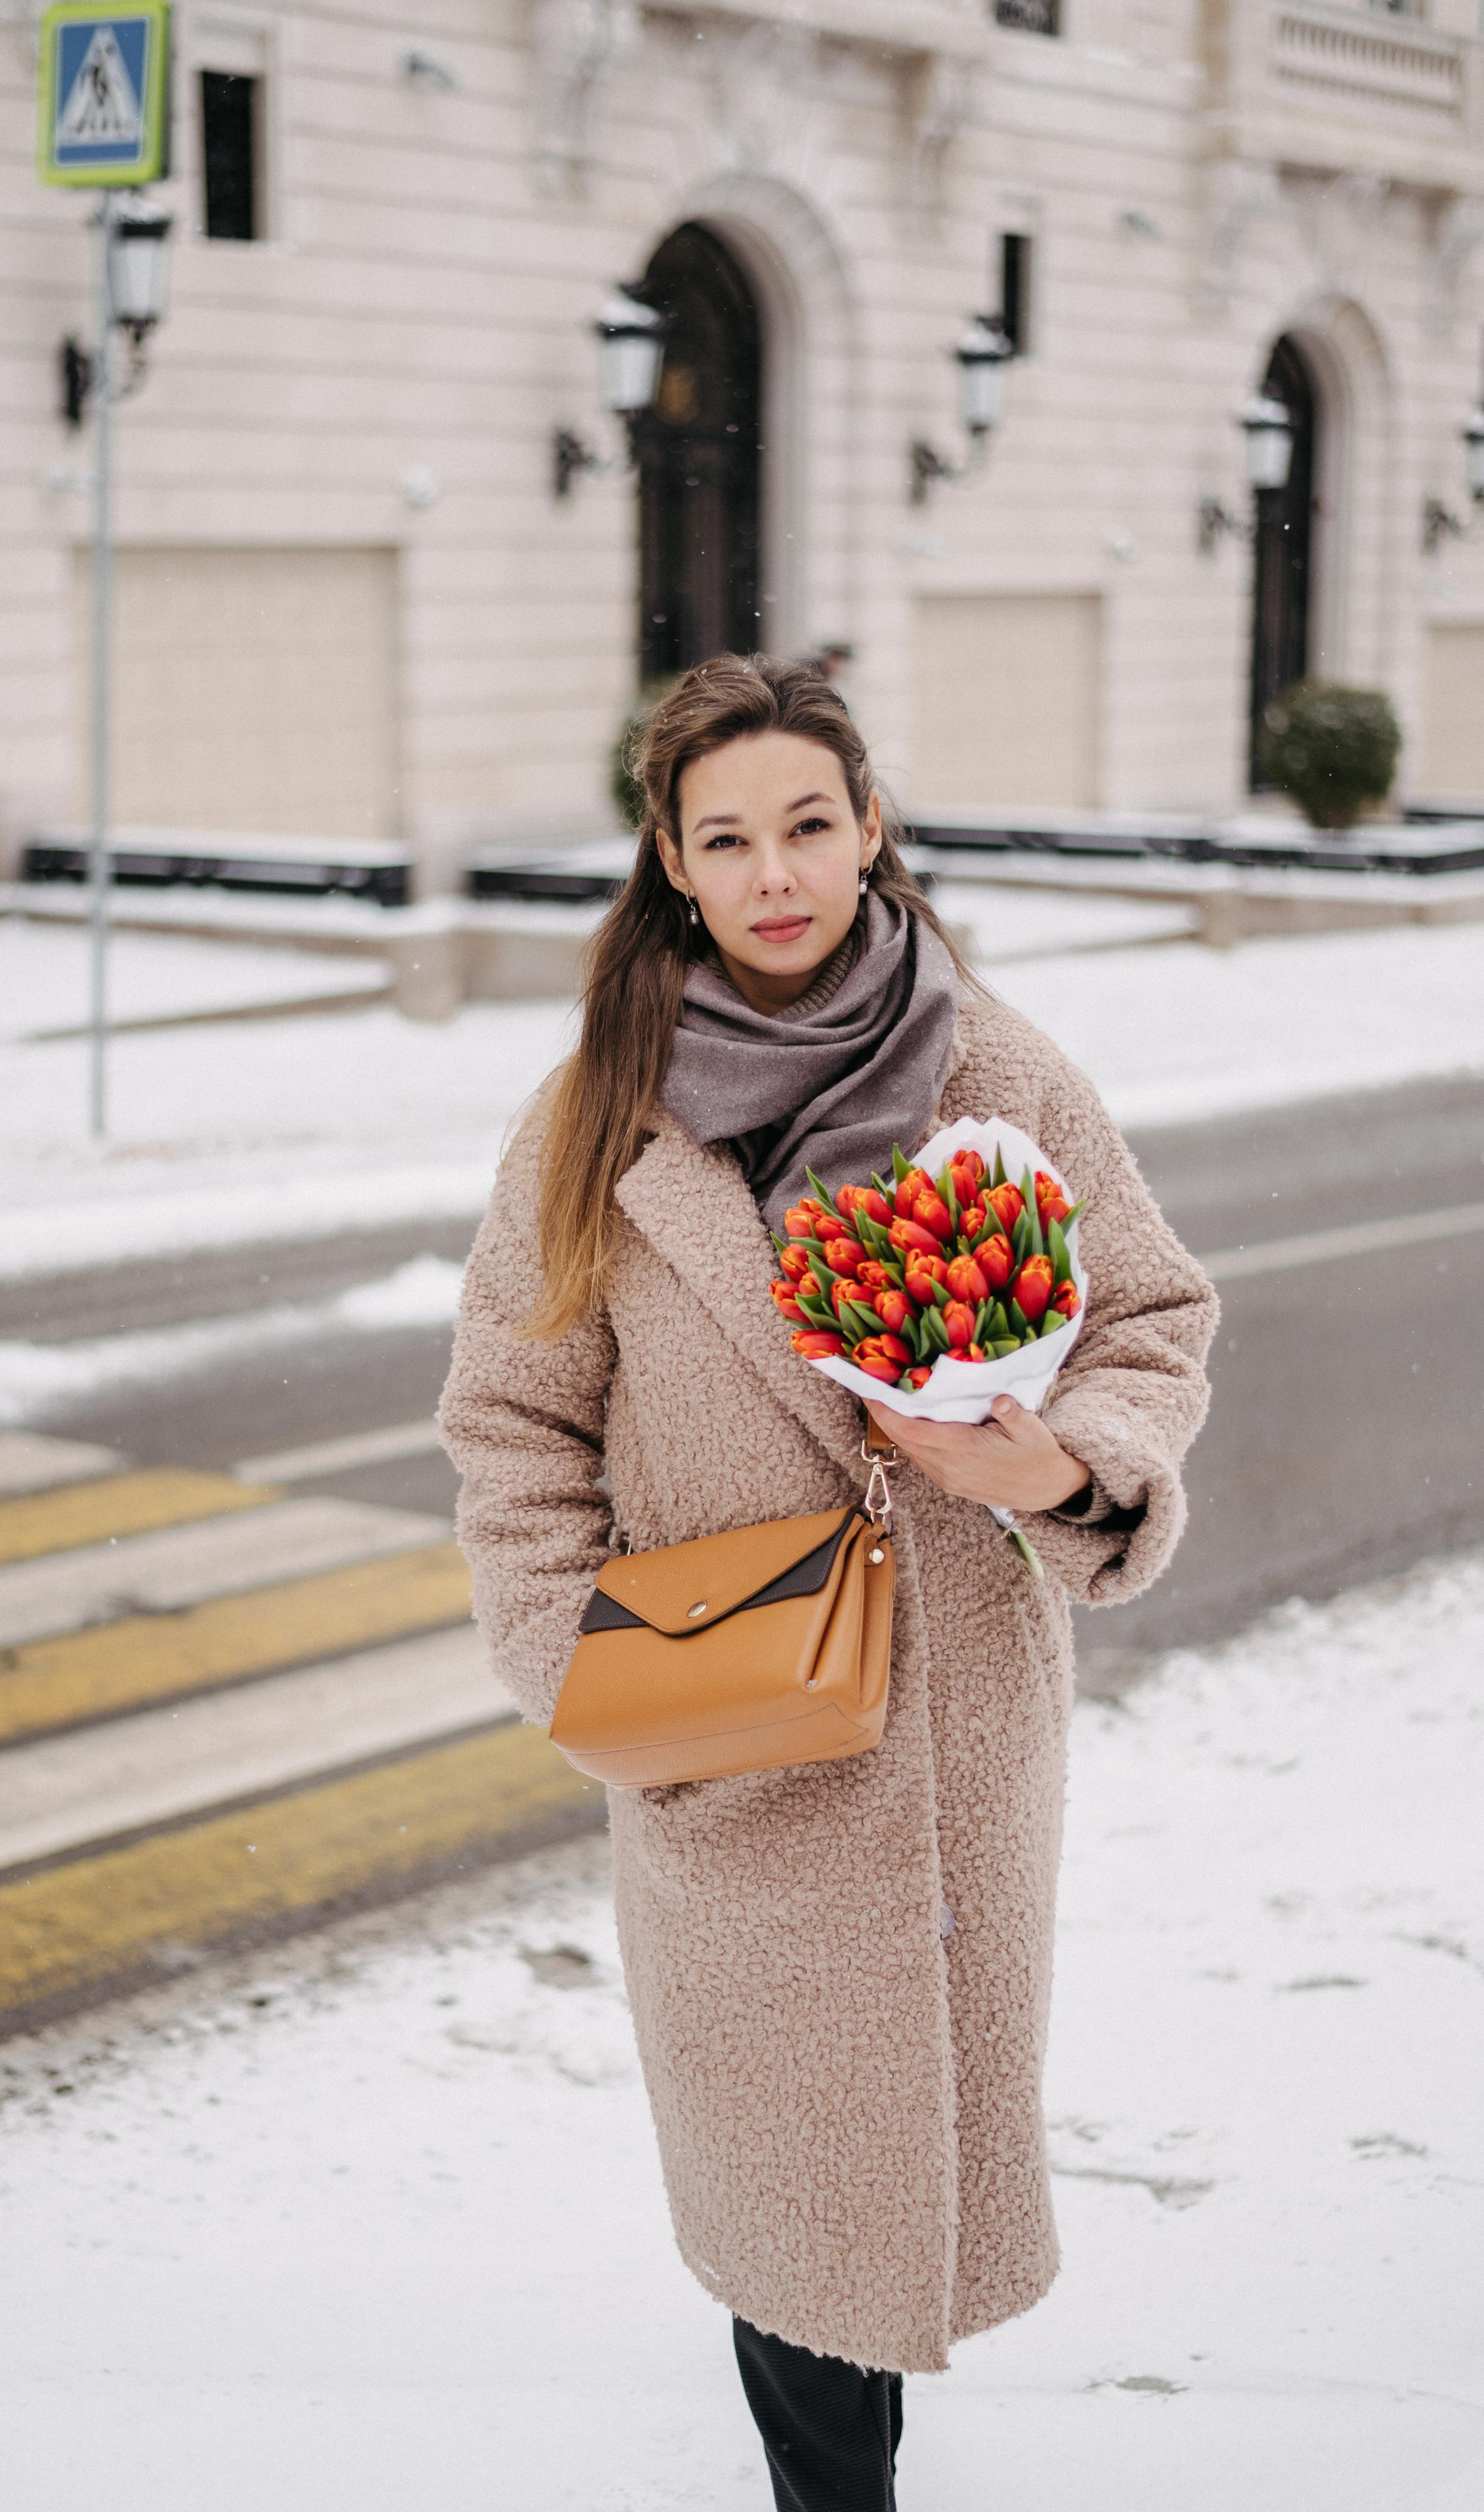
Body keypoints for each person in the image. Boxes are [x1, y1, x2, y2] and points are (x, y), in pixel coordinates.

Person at [438, 654, 1217, 2509]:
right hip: (723, 1728)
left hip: (952, 1732)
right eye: (727, 839)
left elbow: (1153, 1318)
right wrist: (579, 1665)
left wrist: (1059, 1466)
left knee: (906, 2178)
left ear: (871, 829)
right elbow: (512, 1421)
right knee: (786, 2203)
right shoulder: (597, 1117)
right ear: (671, 859)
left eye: (808, 823)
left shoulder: (997, 1069)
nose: (774, 873)